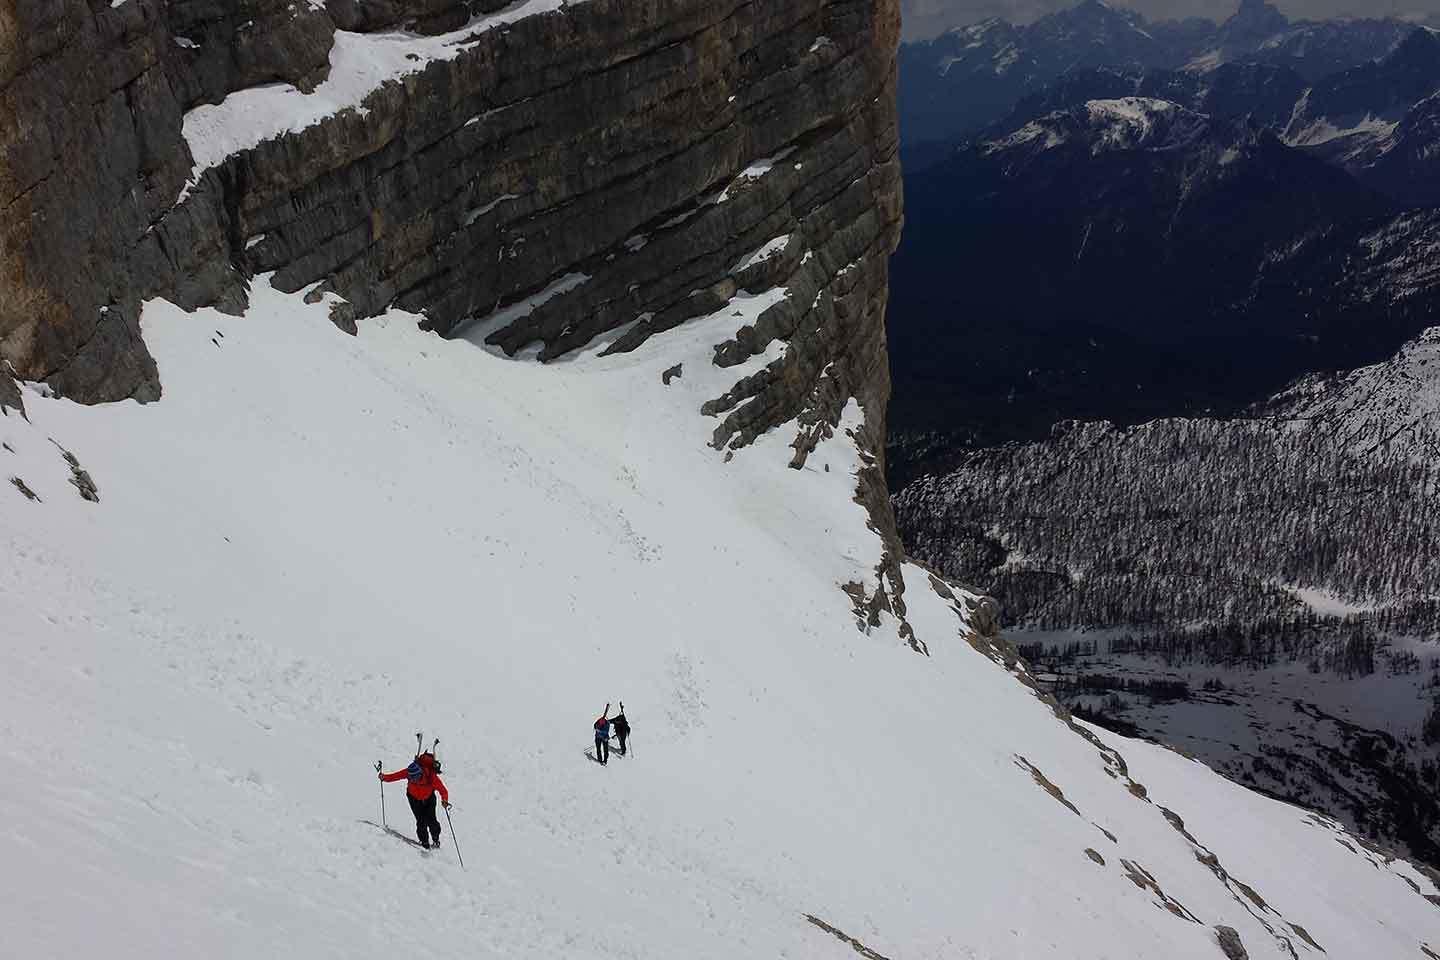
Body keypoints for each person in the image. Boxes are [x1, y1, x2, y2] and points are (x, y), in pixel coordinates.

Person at [380, 751, 450, 848]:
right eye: (411, 778)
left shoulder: (431, 777)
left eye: (414, 778)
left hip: (429, 798)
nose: (412, 780)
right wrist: (384, 777)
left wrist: (445, 800)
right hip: (413, 798)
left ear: (420, 773)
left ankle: (435, 839)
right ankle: (424, 843)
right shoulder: (409, 772)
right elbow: (395, 776)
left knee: (432, 821)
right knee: (421, 821)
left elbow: (443, 790)